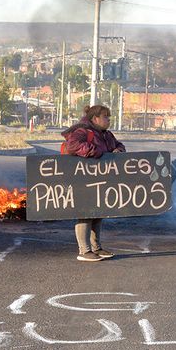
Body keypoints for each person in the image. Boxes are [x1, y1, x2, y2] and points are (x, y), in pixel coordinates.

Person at [62, 104, 126, 262]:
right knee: (85, 214)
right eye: (105, 116)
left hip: (101, 181)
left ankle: (96, 248)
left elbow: (119, 145)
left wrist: (118, 151)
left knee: (98, 213)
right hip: (83, 181)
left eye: (108, 117)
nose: (108, 120)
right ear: (95, 118)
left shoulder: (107, 134)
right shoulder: (82, 131)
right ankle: (84, 251)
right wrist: (99, 153)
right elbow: (73, 146)